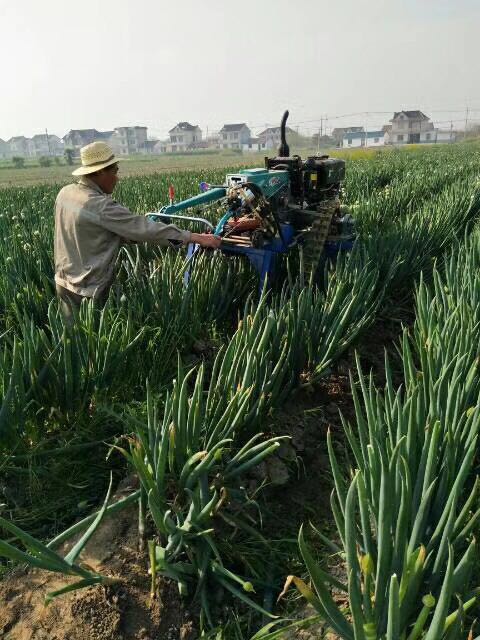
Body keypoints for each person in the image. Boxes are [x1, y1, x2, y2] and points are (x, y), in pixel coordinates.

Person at [54, 141, 220, 321]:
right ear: (100, 171)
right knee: (93, 341)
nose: (117, 178)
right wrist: (194, 237)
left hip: (64, 280)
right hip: (87, 288)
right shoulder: (98, 205)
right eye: (114, 171)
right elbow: (145, 229)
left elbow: (92, 231)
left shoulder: (65, 193)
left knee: (72, 338)